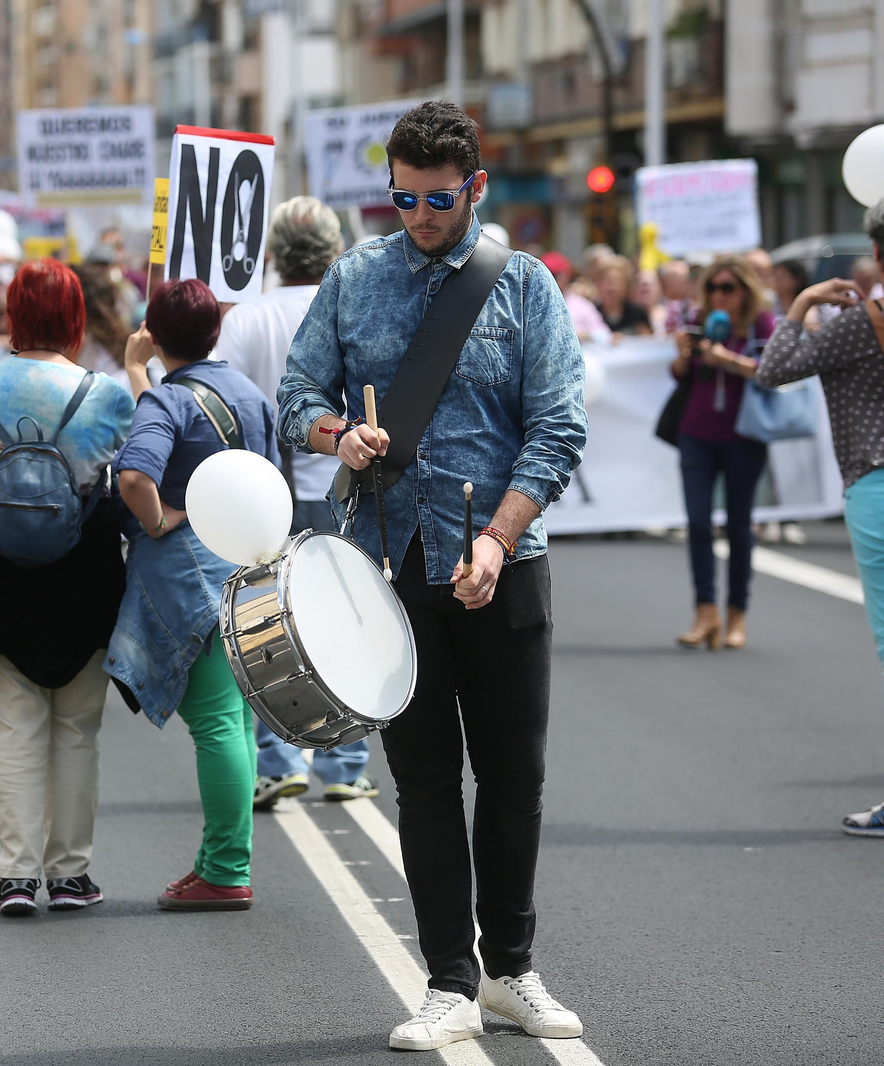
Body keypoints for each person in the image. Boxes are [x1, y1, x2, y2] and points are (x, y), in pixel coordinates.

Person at [279, 100, 587, 1051]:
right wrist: (342, 433)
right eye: (402, 196)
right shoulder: (352, 276)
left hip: (504, 561)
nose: (417, 214)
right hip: (392, 561)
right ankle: (449, 981)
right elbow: (295, 398)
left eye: (437, 198)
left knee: (512, 777)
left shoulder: (525, 287)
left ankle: (515, 972)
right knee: (420, 781)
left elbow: (557, 430)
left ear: (475, 188)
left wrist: (498, 538)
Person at [0, 258, 134, 915]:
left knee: (14, 730)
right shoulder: (104, 393)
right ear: (76, 320)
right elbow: (130, 480)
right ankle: (69, 875)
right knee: (77, 730)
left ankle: (16, 877)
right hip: (85, 574)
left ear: (13, 314)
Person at [108, 279, 278, 910]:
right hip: (247, 572)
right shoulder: (247, 393)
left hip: (189, 583)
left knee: (215, 726)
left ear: (154, 333)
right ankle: (216, 860)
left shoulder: (166, 401)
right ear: (217, 329)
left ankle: (227, 870)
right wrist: (139, 372)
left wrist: (158, 521)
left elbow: (134, 475)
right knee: (232, 720)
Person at [756, 190, 884, 837]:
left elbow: (774, 370)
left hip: (882, 488)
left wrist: (799, 305)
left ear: (877, 254)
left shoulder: (862, 324)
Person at [212, 195, 376, 807]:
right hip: (346, 489)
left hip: (264, 495)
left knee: (263, 629)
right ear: (335, 250)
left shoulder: (247, 319)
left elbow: (223, 403)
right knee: (351, 625)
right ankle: (345, 761)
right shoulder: (355, 308)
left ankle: (278, 758)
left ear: (275, 255)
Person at [669, 256, 777, 650]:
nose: (719, 296)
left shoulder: (761, 323)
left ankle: (736, 615)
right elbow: (679, 374)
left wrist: (726, 359)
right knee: (698, 523)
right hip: (696, 432)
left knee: (738, 526)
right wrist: (685, 353)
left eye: (728, 288)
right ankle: (705, 612)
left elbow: (771, 371)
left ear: (744, 290)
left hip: (742, 436)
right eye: (713, 288)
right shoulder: (701, 318)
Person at [542, 251, 610, 344]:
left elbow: (604, 334)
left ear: (567, 276)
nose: (550, 279)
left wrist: (584, 335)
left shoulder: (581, 304)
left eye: (555, 275)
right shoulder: (529, 305)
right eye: (546, 275)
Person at [593, 255, 652, 337]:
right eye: (606, 281)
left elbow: (648, 342)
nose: (611, 288)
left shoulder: (637, 315)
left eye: (616, 282)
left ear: (626, 286)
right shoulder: (591, 312)